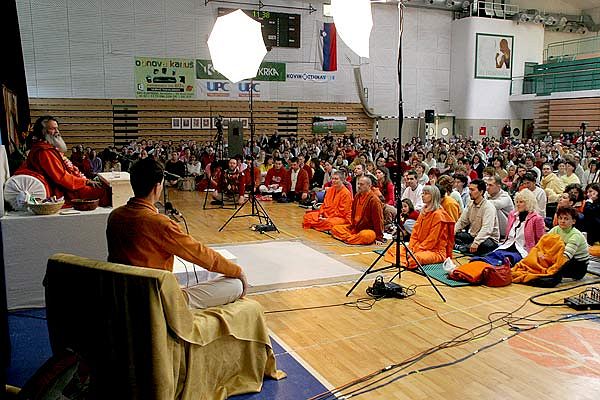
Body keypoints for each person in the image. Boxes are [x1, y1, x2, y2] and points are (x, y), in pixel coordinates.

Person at [106, 157, 247, 308]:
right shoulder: (159, 223)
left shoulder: (114, 216)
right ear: (157, 187)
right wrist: (237, 271)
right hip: (158, 301)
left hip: (123, 295)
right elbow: (200, 254)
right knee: (235, 285)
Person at [17, 115, 109, 205]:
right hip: (64, 190)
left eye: (57, 128)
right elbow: (61, 178)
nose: (57, 132)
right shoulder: (44, 152)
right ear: (42, 131)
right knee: (103, 191)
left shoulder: (49, 148)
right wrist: (85, 181)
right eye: (52, 129)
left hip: (71, 183)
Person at [384, 185, 455, 269]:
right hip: (418, 247)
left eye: (426, 194)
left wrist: (415, 250)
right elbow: (415, 232)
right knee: (394, 249)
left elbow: (432, 240)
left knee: (414, 258)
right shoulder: (424, 211)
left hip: (434, 251)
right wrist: (411, 247)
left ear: (433, 196)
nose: (422, 195)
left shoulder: (438, 215)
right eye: (422, 193)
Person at [473, 189, 544, 266]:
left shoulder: (537, 219)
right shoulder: (512, 215)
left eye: (521, 202)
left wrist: (537, 254)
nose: (518, 204)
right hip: (508, 245)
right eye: (517, 202)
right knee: (493, 255)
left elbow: (540, 240)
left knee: (506, 259)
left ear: (528, 203)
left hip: (523, 250)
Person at [331, 176, 384, 245]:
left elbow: (378, 219)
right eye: (358, 184)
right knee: (335, 228)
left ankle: (350, 238)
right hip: (355, 228)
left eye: (361, 184)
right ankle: (353, 238)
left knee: (365, 236)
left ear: (369, 186)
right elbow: (353, 213)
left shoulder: (374, 200)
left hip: (367, 230)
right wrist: (352, 226)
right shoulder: (357, 196)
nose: (359, 186)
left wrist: (379, 237)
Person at [454, 179, 500, 255]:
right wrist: (452, 233)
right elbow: (462, 222)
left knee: (483, 245)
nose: (470, 192)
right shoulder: (470, 204)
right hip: (473, 236)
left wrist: (476, 242)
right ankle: (465, 247)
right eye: (469, 189)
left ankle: (463, 248)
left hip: (488, 239)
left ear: (481, 192)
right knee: (457, 235)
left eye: (472, 190)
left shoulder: (488, 207)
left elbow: (487, 229)